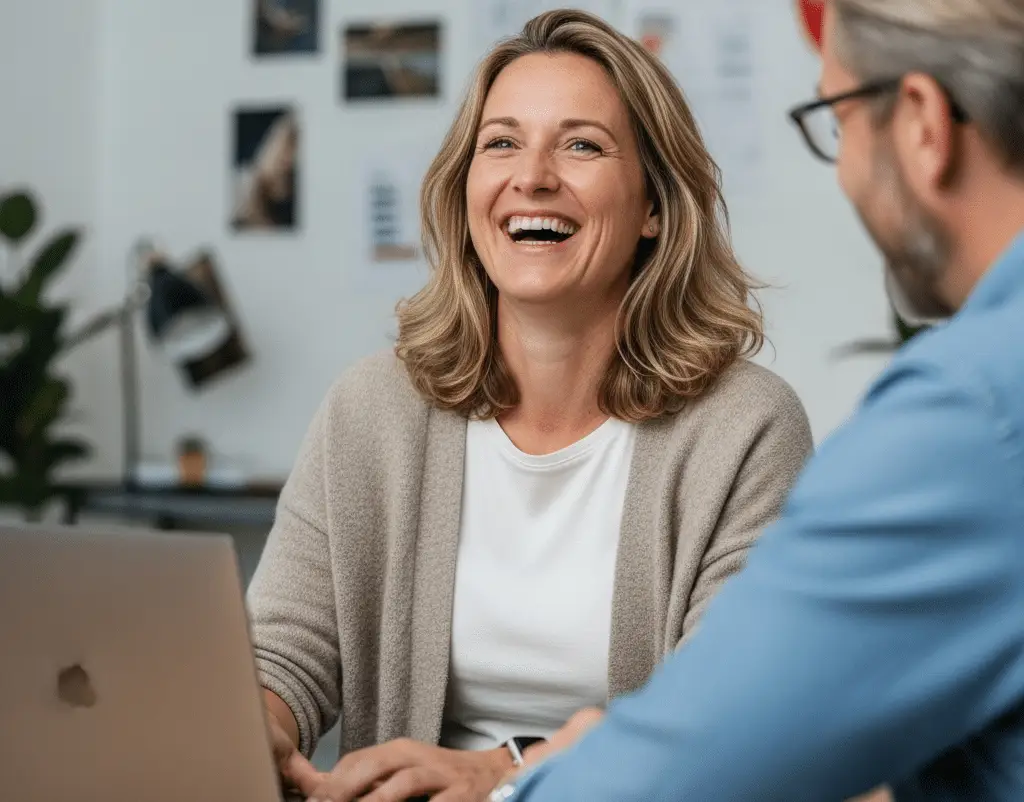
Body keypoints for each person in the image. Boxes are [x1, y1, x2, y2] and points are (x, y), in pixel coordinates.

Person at [245, 9, 813, 802]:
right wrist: (253, 729)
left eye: (581, 144)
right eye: (502, 143)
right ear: (467, 188)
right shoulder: (370, 409)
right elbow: (283, 653)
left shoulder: (746, 427)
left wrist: (503, 772)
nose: (533, 176)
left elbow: (726, 714)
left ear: (654, 207)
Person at [495, 0, 1024, 800]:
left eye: (837, 120)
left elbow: (703, 770)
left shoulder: (975, 414)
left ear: (921, 122)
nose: (844, 168)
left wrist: (524, 781)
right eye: (500, 142)